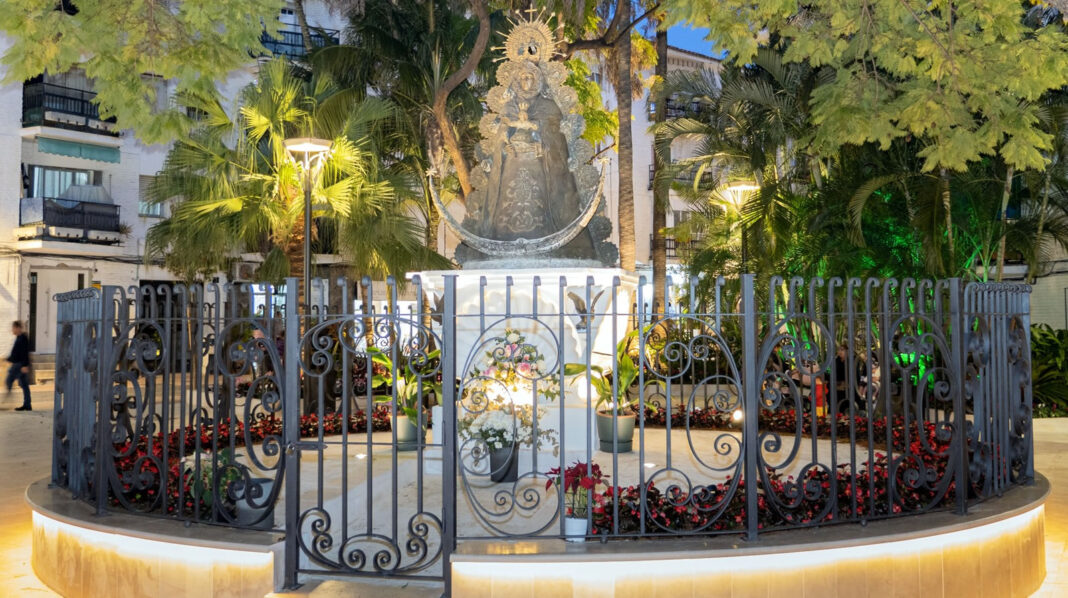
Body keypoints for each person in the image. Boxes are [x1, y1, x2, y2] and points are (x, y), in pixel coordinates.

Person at [6, 321, 32, 411]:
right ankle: (27, 405)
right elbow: (16, 352)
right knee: (24, 384)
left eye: (13, 328)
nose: (12, 330)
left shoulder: (23, 338)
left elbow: (25, 352)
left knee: (9, 380)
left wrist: (25, 365)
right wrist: (8, 359)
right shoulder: (19, 338)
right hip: (19, 364)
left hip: (20, 364)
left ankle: (8, 399)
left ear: (18, 328)